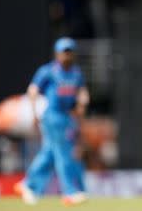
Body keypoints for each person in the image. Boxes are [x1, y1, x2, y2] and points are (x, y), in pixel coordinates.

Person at [14, 37, 89, 206]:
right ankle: (70, 192)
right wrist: (33, 113)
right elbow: (32, 91)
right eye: (64, 52)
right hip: (53, 117)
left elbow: (82, 91)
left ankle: (28, 184)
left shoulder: (76, 73)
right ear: (57, 53)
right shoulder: (48, 71)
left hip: (66, 117)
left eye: (70, 52)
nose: (67, 55)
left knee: (49, 154)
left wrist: (83, 100)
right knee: (63, 154)